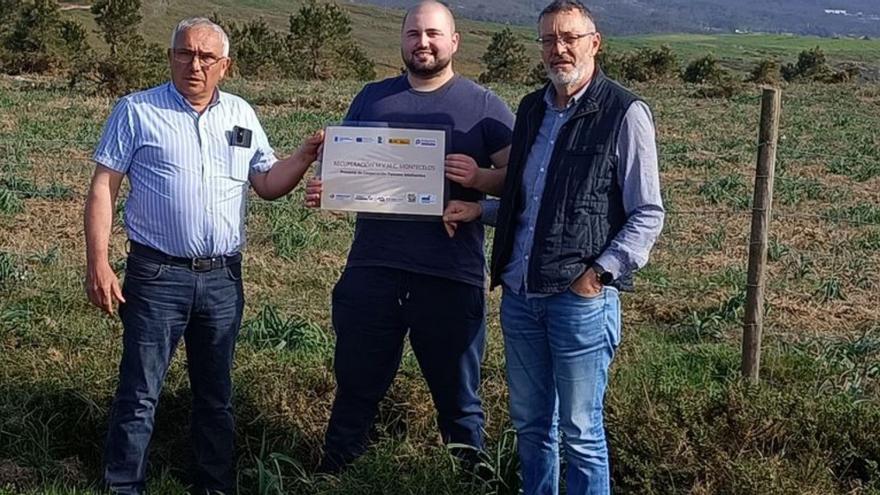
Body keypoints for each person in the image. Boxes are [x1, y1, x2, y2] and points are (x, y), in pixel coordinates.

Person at [84, 17, 321, 495]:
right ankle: (124, 485)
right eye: (185, 53)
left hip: (222, 279)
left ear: (224, 65)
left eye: (206, 57)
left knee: (216, 396)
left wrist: (306, 156)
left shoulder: (241, 114)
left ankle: (214, 486)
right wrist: (99, 261)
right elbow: (103, 188)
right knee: (139, 393)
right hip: (155, 275)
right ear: (171, 57)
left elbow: (267, 182)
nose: (195, 64)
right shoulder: (136, 111)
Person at [443, 1, 665, 493]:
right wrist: (481, 209)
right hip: (521, 295)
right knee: (531, 426)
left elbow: (648, 213)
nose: (558, 49)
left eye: (568, 38)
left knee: (581, 432)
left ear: (594, 42)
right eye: (548, 39)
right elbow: (529, 201)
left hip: (577, 300)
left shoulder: (624, 113)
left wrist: (597, 275)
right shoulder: (531, 109)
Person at [304, 0, 514, 473]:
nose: (423, 42)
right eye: (414, 34)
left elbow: (521, 181)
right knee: (355, 385)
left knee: (459, 398)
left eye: (434, 34)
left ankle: (470, 477)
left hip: (449, 274)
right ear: (401, 41)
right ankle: (335, 475)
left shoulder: (484, 106)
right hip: (372, 268)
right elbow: (344, 164)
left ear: (454, 42)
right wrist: (330, 189)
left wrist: (480, 180)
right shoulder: (372, 97)